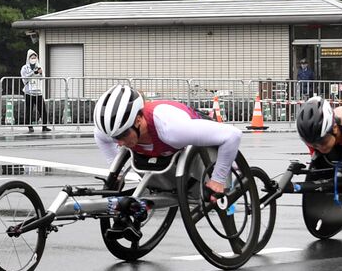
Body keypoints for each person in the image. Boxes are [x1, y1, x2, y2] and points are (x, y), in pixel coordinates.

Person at [92, 84, 241, 202]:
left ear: (138, 120)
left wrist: (218, 179)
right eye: (115, 137)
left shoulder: (172, 130)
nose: (119, 142)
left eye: (123, 135)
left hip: (193, 129)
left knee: (221, 178)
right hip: (164, 148)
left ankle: (237, 171)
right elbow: (101, 138)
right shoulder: (113, 130)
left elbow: (232, 135)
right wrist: (117, 174)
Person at [20, 50, 50, 133]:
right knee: (29, 110)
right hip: (28, 92)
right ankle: (30, 127)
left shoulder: (39, 66)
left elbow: (42, 78)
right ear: (28, 58)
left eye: (35, 57)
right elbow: (24, 79)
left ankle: (44, 126)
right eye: (32, 58)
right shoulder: (25, 68)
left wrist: (40, 73)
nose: (34, 59)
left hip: (38, 92)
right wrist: (33, 72)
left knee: (43, 110)